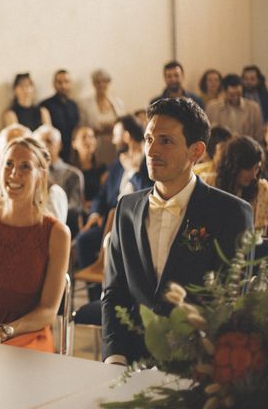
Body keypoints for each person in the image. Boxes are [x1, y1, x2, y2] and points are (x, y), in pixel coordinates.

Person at [102, 98, 253, 365]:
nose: (151, 151)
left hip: (198, 368)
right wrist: (115, 357)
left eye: (165, 141)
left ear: (196, 151)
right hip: (130, 365)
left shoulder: (230, 214)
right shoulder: (127, 207)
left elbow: (230, 304)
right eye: (149, 139)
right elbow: (115, 291)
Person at [0, 137, 70, 353]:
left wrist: (3, 332)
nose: (14, 173)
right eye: (8, 164)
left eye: (25, 166)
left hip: (28, 336)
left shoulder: (57, 233)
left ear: (41, 175)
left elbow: (48, 310)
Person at [75, 115, 151, 272]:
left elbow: (150, 195)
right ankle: (96, 293)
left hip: (136, 227)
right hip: (109, 224)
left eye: (116, 136)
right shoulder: (117, 164)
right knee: (83, 240)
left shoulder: (149, 162)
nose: (113, 141)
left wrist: (134, 172)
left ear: (126, 137)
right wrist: (95, 214)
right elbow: (101, 195)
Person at [34, 125, 84, 236]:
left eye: (49, 141)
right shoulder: (31, 174)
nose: (44, 146)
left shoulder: (73, 174)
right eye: (39, 143)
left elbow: (74, 207)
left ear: (60, 145)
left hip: (63, 228)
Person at [212, 136, 268, 231]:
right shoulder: (210, 183)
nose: (254, 175)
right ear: (234, 166)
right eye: (249, 168)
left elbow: (260, 235)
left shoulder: (262, 189)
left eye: (257, 168)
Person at [79, 69, 125, 166]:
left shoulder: (118, 103)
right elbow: (83, 127)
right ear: (93, 84)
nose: (101, 85)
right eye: (97, 82)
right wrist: (99, 129)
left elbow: (123, 124)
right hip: (96, 146)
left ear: (108, 83)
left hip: (114, 145)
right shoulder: (85, 104)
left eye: (104, 81)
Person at [206, 73, 263, 143]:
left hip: (247, 149)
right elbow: (208, 134)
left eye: (238, 94)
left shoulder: (253, 108)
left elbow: (259, 137)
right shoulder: (212, 108)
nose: (236, 97)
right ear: (225, 92)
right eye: (232, 95)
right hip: (221, 150)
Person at [40, 69, 80, 161]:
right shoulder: (45, 105)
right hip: (54, 152)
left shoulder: (74, 105)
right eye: (59, 82)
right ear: (53, 84)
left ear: (71, 84)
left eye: (66, 82)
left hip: (73, 152)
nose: (63, 86)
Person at [69, 125, 108, 216]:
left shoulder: (102, 169)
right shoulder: (70, 171)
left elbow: (104, 195)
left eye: (91, 137)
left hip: (96, 213)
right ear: (74, 144)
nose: (88, 140)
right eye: (84, 137)